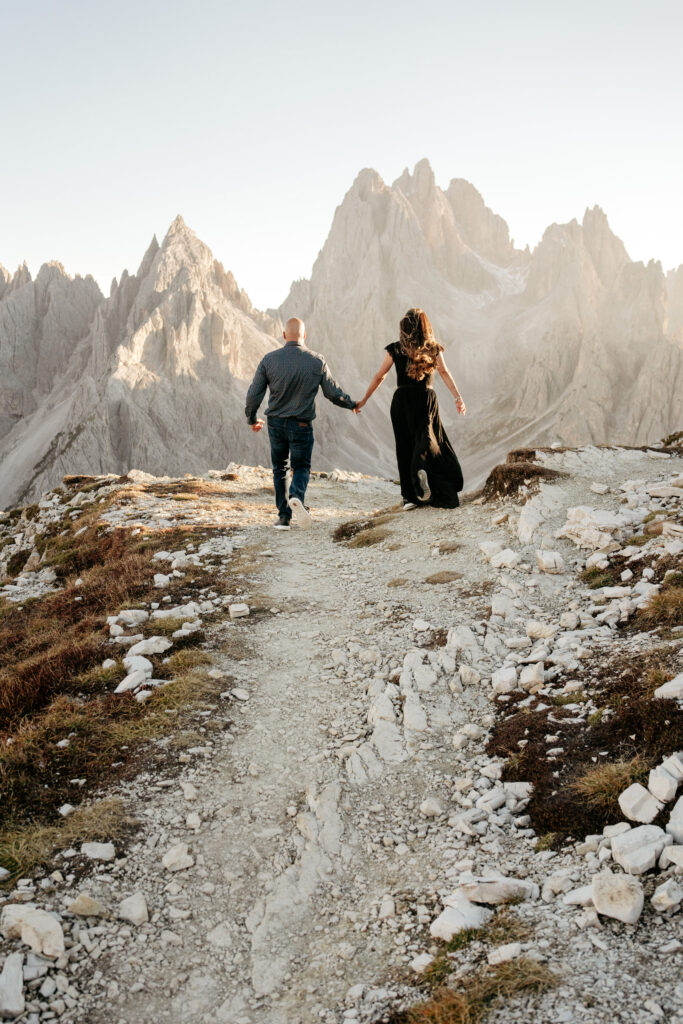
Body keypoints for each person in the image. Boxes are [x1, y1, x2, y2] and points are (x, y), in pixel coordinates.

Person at [245, 317, 357, 530]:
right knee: (302, 467)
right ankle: (296, 495)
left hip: (276, 423)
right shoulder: (317, 360)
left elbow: (253, 394)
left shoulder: (269, 360)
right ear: (304, 336)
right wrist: (351, 404)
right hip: (302, 425)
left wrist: (252, 418)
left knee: (280, 468)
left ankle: (284, 518)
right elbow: (333, 393)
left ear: (284, 335)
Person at [355, 308, 466, 509]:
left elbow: (380, 375)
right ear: (426, 327)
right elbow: (444, 372)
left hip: (401, 400)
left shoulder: (396, 349)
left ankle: (409, 497)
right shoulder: (433, 349)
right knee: (428, 440)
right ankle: (421, 471)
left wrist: (364, 399)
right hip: (425, 398)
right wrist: (458, 397)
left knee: (403, 446)